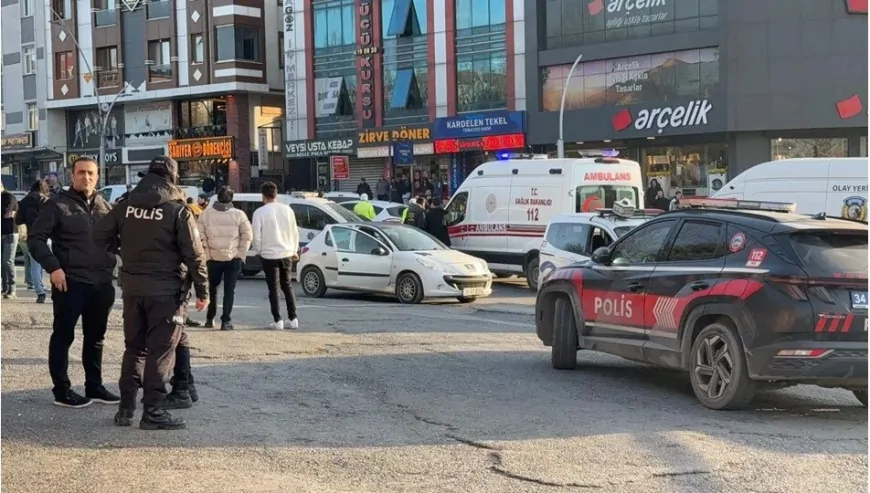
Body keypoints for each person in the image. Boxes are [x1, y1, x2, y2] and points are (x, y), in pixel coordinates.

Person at [92, 155, 208, 430]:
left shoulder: (126, 206)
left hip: (133, 289)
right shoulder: (177, 210)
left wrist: (123, 252)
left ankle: (125, 409)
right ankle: (153, 411)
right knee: (161, 352)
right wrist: (203, 289)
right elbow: (194, 254)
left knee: (134, 349)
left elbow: (99, 236)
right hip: (166, 292)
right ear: (173, 178)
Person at [28, 158, 119, 408]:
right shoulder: (56, 205)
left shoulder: (105, 206)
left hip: (101, 282)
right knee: (63, 336)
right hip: (70, 281)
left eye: (90, 173)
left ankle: (94, 386)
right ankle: (62, 390)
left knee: (96, 337)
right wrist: (54, 267)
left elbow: (119, 240)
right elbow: (35, 239)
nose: (86, 177)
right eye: (81, 172)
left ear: (97, 177)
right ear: (72, 175)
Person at [197, 186, 252, 331]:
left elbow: (199, 236)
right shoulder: (239, 215)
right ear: (231, 199)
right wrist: (240, 254)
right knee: (229, 290)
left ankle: (210, 318)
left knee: (212, 289)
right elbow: (247, 236)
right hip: (233, 258)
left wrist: (207, 254)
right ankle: (225, 321)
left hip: (212, 258)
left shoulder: (205, 214)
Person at [251, 181, 299, 331]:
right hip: (286, 252)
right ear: (276, 194)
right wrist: (294, 250)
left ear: (263, 196)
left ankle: (277, 320)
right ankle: (293, 318)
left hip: (269, 254)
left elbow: (256, 236)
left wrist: (259, 250)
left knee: (273, 287)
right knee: (287, 285)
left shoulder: (259, 212)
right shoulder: (287, 210)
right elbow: (294, 232)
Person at [15, 179, 50, 303]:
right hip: (46, 236)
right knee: (51, 264)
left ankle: (40, 292)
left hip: (30, 236)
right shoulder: (46, 201)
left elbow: (18, 220)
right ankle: (55, 288)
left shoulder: (24, 201)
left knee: (35, 264)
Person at [1, 184, 19, 299]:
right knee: (2, 263)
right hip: (2, 232)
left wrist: (8, 213)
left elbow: (6, 212)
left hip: (10, 233)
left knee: (8, 261)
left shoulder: (9, 197)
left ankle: (13, 289)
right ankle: (5, 287)